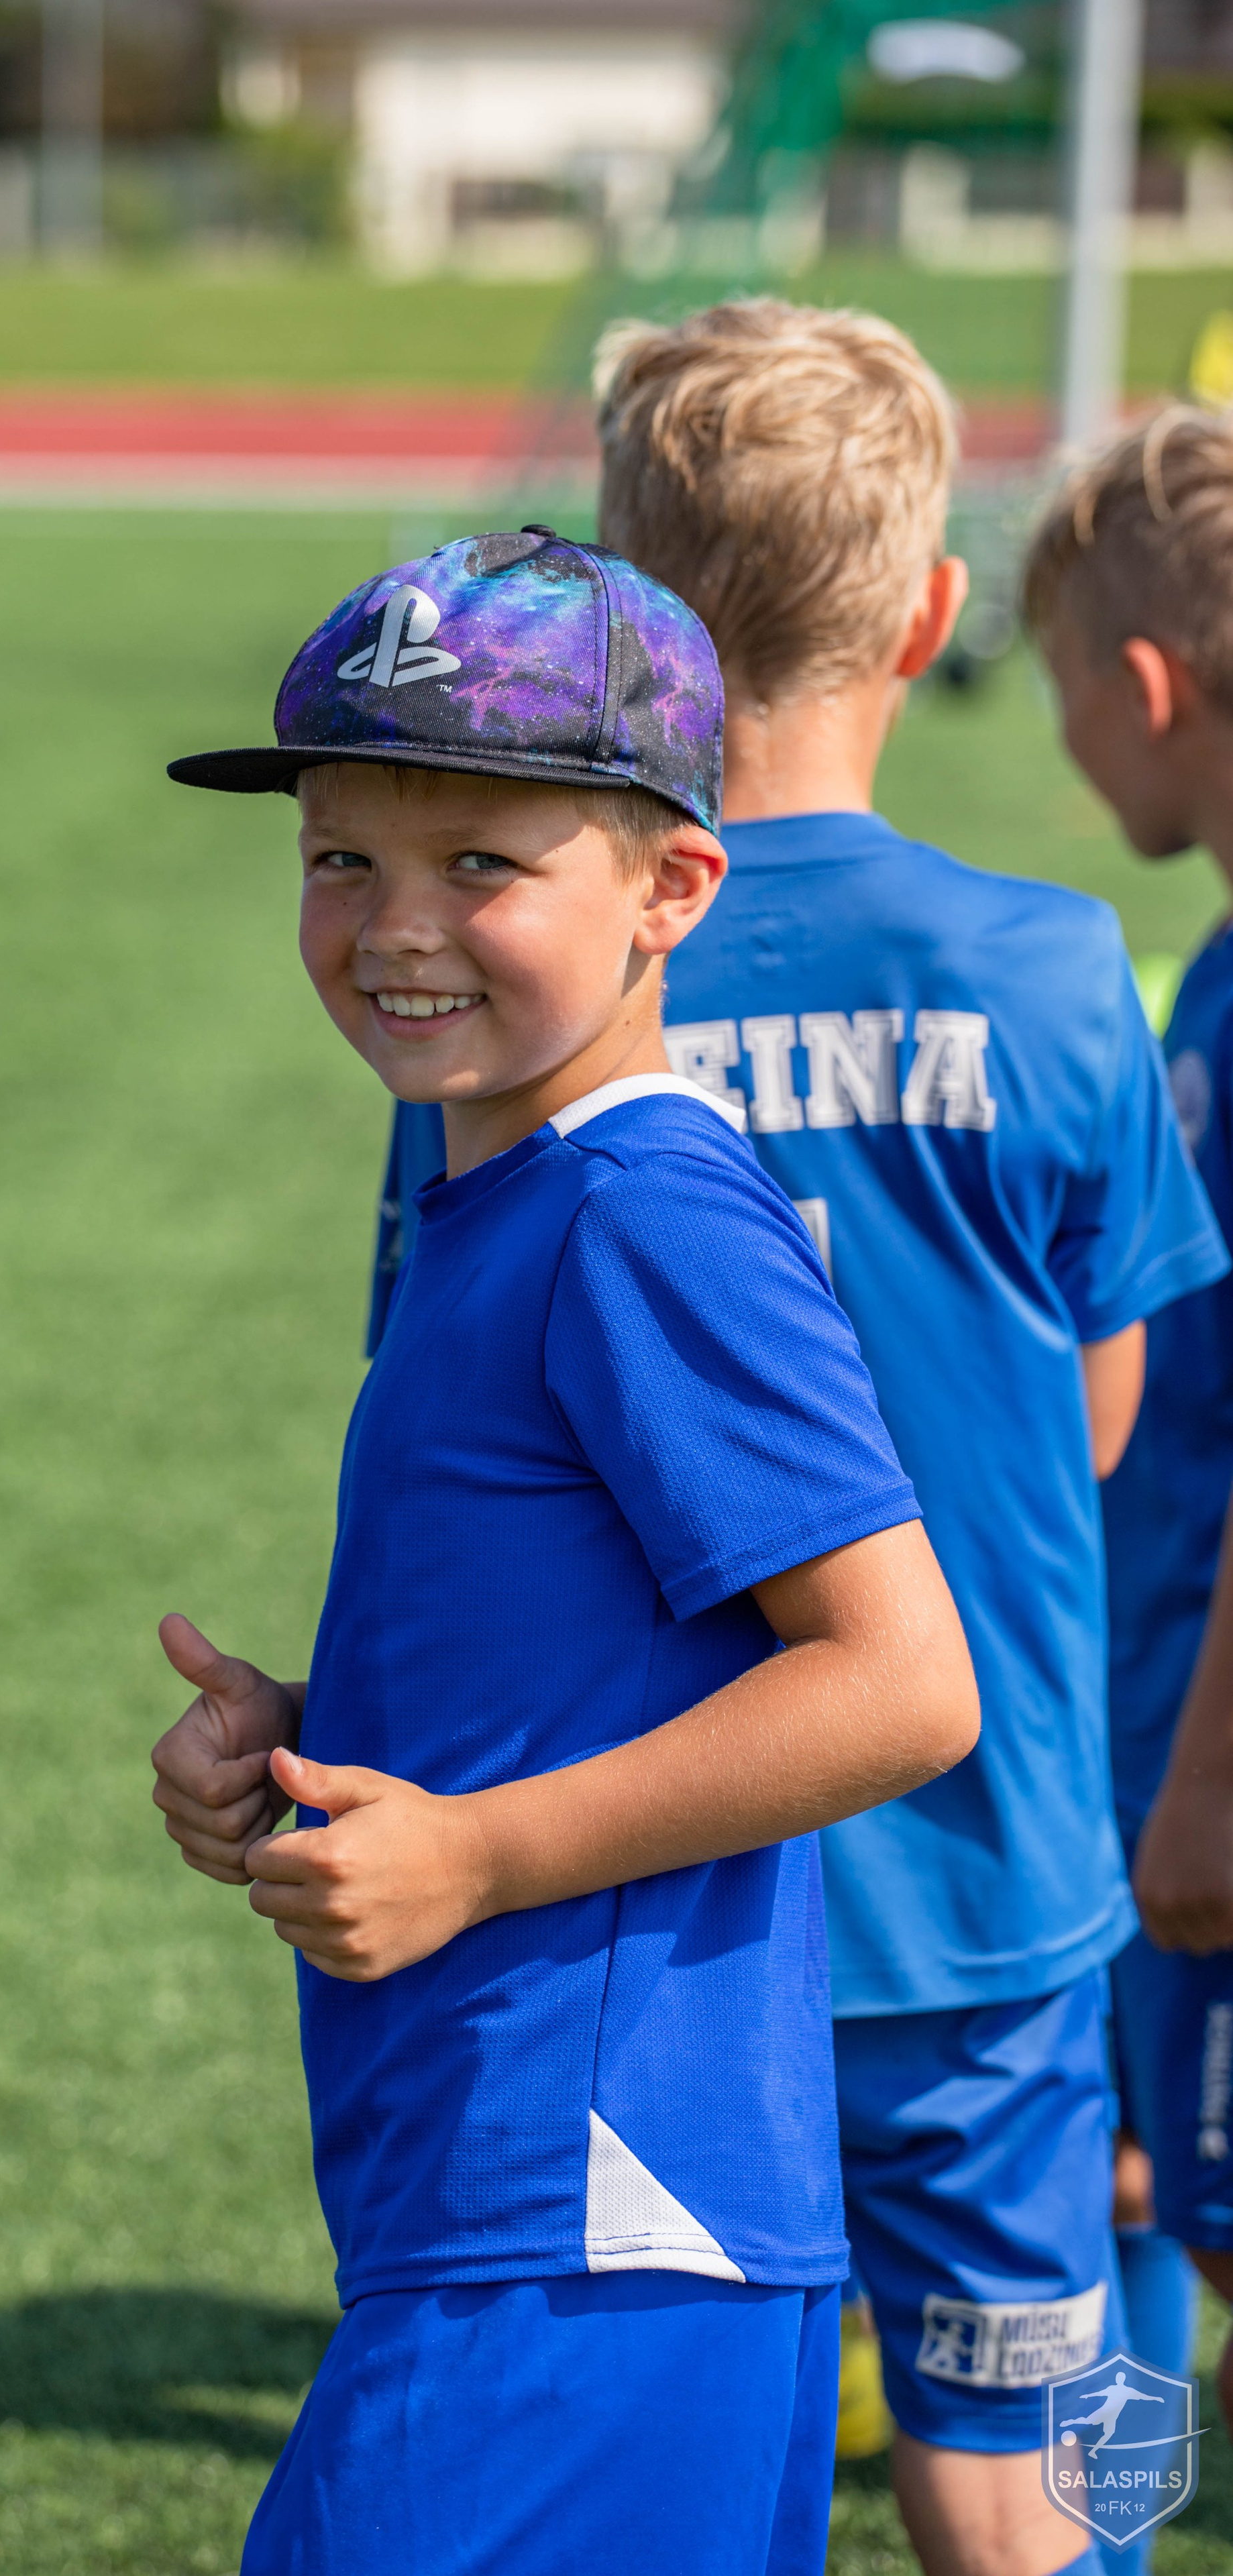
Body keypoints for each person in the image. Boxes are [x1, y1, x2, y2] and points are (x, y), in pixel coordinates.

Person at [374, 307, 1226, 2576]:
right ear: (934, 611)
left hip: (644, 1894)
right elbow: (1115, 1416)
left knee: (630, 2433)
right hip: (988, 1859)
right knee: (1032, 2438)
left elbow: (456, 1436)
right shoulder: (1053, 970)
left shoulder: (529, 993)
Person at [152, 526, 980, 2575]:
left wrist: (480, 1856)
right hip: (530, 2197)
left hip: (594, 2212)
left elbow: (900, 1681)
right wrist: (327, 1744)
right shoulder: (507, 1194)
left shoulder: (641, 1213)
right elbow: (600, 1642)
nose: (393, 927)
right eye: (343, 858)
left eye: (484, 867)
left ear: (674, 889)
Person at [1024, 409, 1233, 2440]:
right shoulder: (1216, 974)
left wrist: (1201, 1784)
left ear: (1147, 689)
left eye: (1069, 691)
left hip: (1210, 1756)